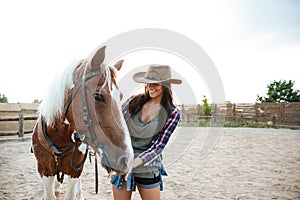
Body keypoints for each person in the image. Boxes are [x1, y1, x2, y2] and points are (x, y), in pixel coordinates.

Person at [110, 65, 182, 200]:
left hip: (148, 166)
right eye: (148, 82)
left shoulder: (172, 113)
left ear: (165, 85)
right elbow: (117, 127)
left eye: (155, 83)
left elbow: (157, 148)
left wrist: (133, 164)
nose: (150, 86)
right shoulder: (133, 102)